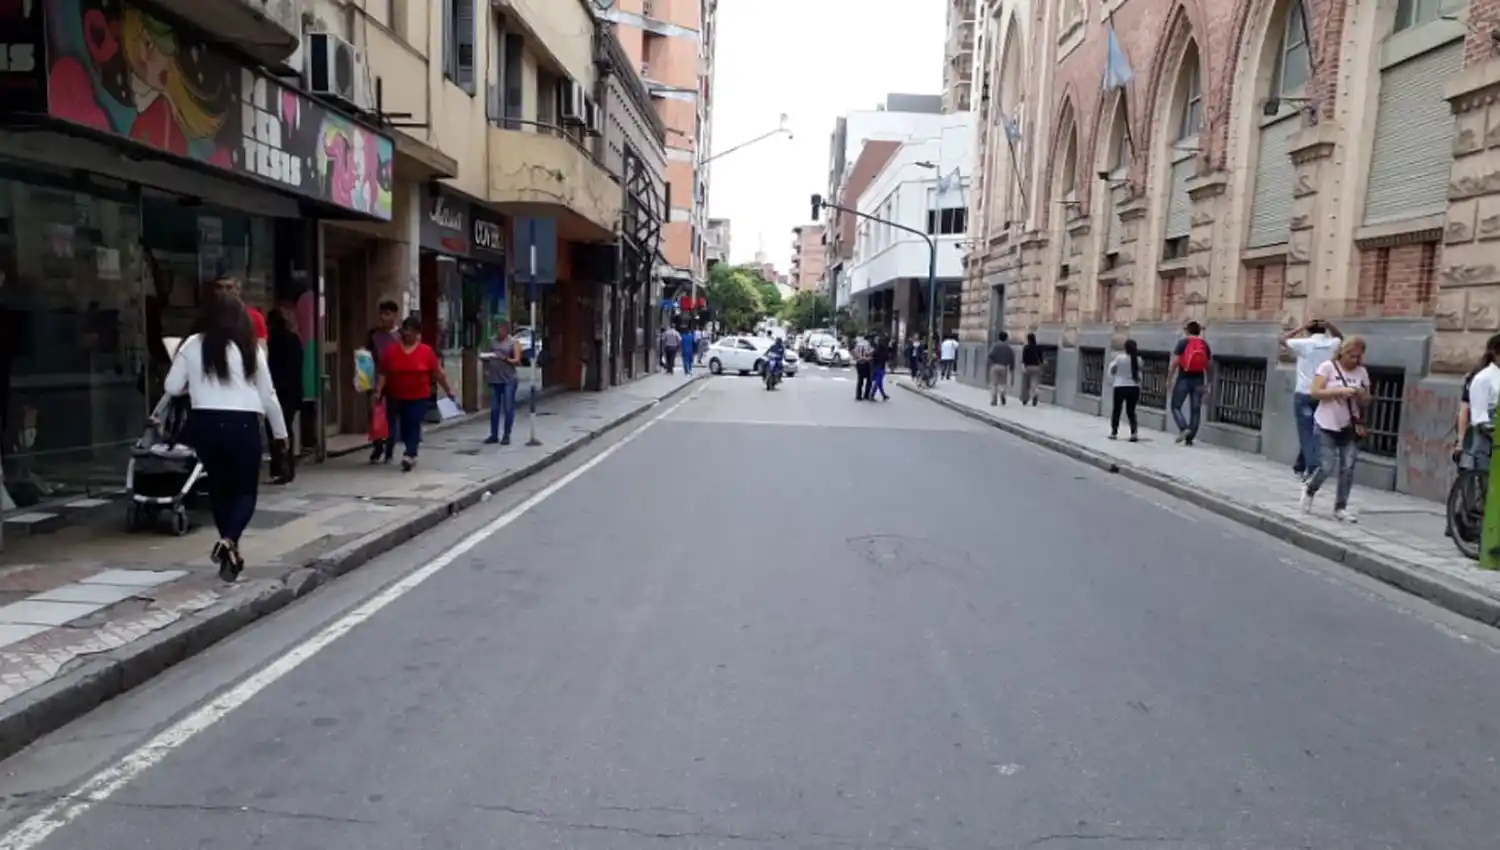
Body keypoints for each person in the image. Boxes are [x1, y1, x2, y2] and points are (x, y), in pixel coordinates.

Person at [164, 294, 287, 582]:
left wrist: (195, 386)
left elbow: (171, 386)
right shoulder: (249, 349)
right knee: (245, 491)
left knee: (220, 490)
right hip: (244, 424)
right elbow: (268, 396)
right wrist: (280, 433)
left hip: (205, 423)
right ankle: (230, 540)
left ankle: (230, 553)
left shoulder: (192, 345)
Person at [1300, 336, 1371, 522]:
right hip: (1326, 423)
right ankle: (1310, 489)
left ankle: (1340, 508)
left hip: (1349, 426)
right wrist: (1338, 392)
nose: (1354, 360)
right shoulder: (1327, 367)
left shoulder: (1362, 372)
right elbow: (1315, 392)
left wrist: (1362, 395)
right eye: (1351, 356)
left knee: (1348, 467)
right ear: (1342, 352)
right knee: (1327, 466)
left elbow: (1367, 401)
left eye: (1358, 357)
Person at [375, 316, 457, 472]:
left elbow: (438, 373)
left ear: (417, 334)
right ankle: (409, 450)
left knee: (413, 422)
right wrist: (378, 391)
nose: (407, 334)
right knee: (404, 426)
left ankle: (410, 454)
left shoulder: (426, 352)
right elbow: (383, 374)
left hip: (418, 396)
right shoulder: (391, 352)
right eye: (405, 331)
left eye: (411, 331)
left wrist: (449, 390)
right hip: (396, 394)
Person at [1280, 318, 1342, 481]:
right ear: (1324, 330)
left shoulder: (1304, 344)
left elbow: (1282, 340)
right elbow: (1341, 338)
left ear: (1309, 331)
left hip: (1304, 392)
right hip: (1323, 393)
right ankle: (1300, 465)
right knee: (1315, 430)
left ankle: (1313, 466)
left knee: (1306, 431)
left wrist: (1300, 327)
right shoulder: (1332, 344)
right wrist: (1330, 325)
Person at [265, 299, 304, 483]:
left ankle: (280, 467)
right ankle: (287, 467)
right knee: (286, 428)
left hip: (276, 389)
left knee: (275, 429)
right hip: (292, 389)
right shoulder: (294, 339)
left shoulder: (272, 341)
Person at [366, 300, 403, 464]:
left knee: (392, 415)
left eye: (387, 314)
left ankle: (389, 449)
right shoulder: (374, 335)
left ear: (395, 316)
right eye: (381, 314)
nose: (383, 318)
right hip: (376, 379)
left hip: (395, 380)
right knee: (374, 413)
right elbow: (366, 355)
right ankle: (377, 444)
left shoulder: (401, 336)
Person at [1168, 321, 1211, 445]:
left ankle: (1183, 428)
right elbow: (1208, 365)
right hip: (1199, 379)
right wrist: (1208, 384)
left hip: (1183, 378)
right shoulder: (1204, 344)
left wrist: (1169, 379)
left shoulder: (1183, 342)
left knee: (1175, 406)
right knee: (1195, 409)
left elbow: (1175, 362)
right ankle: (1190, 438)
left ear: (1187, 331)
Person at [480, 321, 522, 445]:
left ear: (506, 330)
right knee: (494, 408)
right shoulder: (492, 341)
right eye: (497, 328)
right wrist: (486, 361)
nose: (499, 331)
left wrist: (505, 358)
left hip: (509, 379)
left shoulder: (513, 342)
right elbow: (486, 355)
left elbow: (517, 361)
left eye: (501, 329)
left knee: (508, 408)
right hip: (495, 379)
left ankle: (506, 435)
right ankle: (494, 434)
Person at [1109, 339, 1142, 442]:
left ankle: (1114, 432)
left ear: (1125, 348)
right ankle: (1134, 433)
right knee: (1131, 411)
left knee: (1117, 410)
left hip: (1120, 386)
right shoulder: (1138, 359)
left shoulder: (1119, 358)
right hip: (1133, 387)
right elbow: (1139, 372)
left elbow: (1112, 370)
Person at [987, 331, 1014, 406]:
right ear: (1006, 338)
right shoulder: (1008, 348)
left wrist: (989, 365)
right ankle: (1002, 393)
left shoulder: (995, 346)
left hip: (995, 366)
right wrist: (1011, 367)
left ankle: (994, 400)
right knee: (1003, 383)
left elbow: (990, 356)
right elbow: (1011, 358)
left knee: (994, 384)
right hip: (1004, 367)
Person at [1020, 333, 1043, 406]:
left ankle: (1025, 399)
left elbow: (1023, 359)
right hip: (1036, 367)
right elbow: (1041, 359)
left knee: (1026, 384)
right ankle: (1035, 394)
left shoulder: (1026, 348)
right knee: (1034, 383)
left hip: (1028, 367)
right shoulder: (1038, 347)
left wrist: (1023, 366)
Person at [869, 334, 892, 401]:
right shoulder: (885, 350)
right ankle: (872, 395)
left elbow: (873, 357)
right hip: (881, 367)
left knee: (879, 382)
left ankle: (883, 395)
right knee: (878, 381)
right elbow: (887, 358)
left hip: (875, 366)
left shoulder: (876, 349)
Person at [853, 335, 874, 401]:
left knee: (860, 379)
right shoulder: (868, 344)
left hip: (859, 363)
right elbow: (868, 353)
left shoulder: (858, 344)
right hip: (866, 363)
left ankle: (858, 395)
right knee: (869, 380)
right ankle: (866, 395)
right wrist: (870, 354)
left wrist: (859, 358)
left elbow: (855, 352)